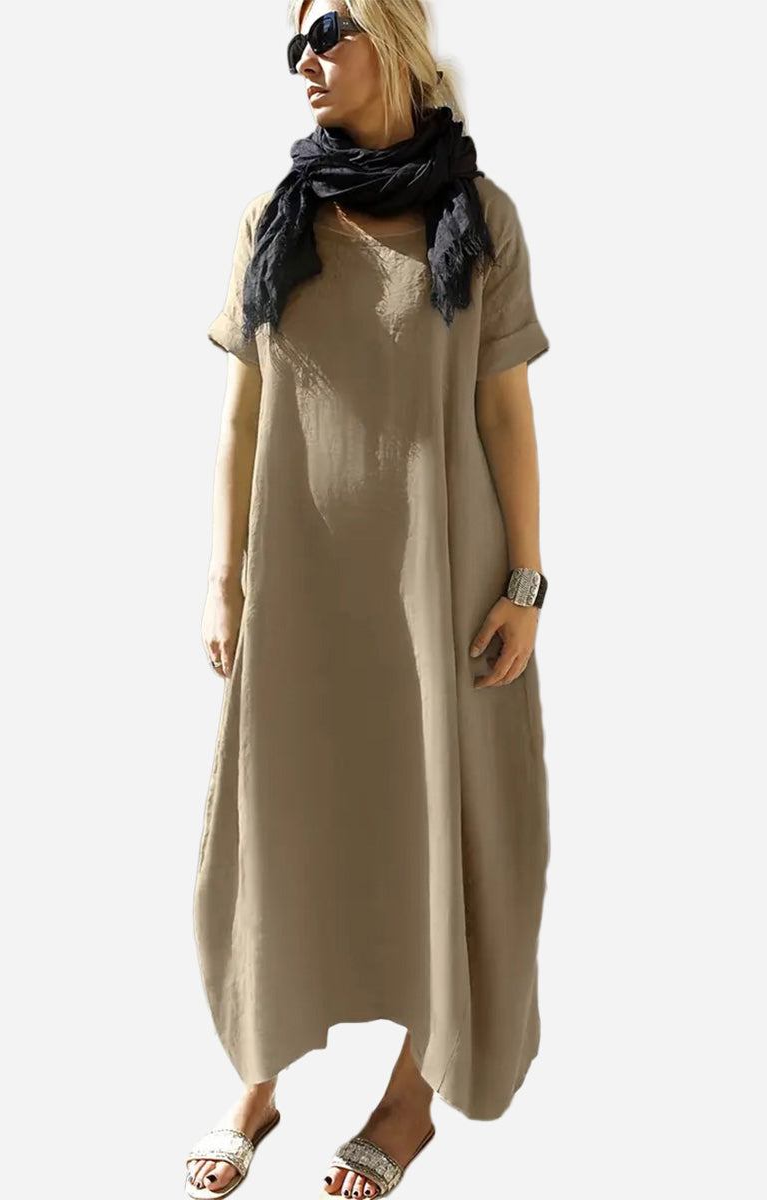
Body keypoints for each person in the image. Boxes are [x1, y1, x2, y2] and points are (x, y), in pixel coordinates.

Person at [186, 2, 552, 1196]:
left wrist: (525, 584)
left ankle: (409, 1096)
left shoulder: (477, 217)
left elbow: (503, 411)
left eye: (329, 28)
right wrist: (223, 578)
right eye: (291, 40)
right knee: (281, 813)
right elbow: (242, 415)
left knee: (439, 815)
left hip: (441, 582)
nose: (305, 57)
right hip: (300, 582)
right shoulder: (275, 218)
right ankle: (258, 1076)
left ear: (395, 37)